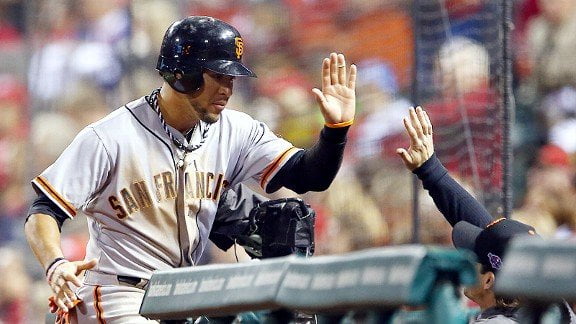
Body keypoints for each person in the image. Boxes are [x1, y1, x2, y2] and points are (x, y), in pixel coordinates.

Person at [24, 16, 357, 323]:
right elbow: (44, 210)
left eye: (232, 77)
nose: (227, 87)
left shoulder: (236, 130)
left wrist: (335, 130)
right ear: (181, 74)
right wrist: (55, 265)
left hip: (181, 296)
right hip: (117, 296)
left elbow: (308, 176)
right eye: (217, 75)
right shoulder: (110, 137)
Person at [396, 106, 576, 323]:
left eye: (473, 257)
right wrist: (430, 170)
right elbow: (490, 232)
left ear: (489, 280)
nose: (466, 260)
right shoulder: (555, 310)